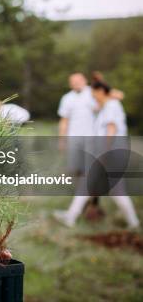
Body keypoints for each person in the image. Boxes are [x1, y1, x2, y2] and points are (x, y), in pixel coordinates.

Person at [53, 80, 140, 229]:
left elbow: (111, 130)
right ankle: (71, 216)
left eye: (94, 94)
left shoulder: (112, 106)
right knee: (94, 185)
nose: (93, 98)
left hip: (111, 154)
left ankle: (133, 222)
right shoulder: (106, 106)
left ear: (101, 91)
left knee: (115, 190)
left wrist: (104, 154)